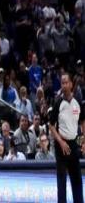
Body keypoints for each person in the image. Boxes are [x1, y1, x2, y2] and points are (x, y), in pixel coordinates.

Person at [49, 72, 84, 203]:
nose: (63, 85)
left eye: (66, 82)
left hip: (74, 144)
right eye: (62, 83)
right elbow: (51, 125)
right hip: (61, 146)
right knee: (61, 181)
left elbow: (83, 122)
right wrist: (61, 141)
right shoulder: (58, 102)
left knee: (77, 179)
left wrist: (83, 142)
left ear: (71, 84)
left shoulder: (78, 101)